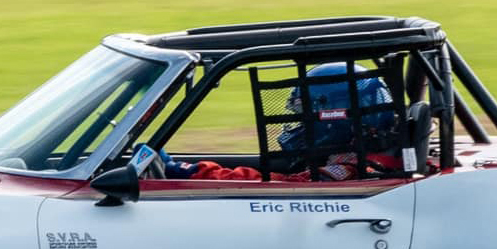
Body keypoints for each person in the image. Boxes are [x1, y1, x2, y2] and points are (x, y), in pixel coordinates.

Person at [164, 63, 402, 182]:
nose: (300, 125)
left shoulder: (349, 171)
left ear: (336, 118)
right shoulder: (350, 157)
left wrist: (196, 172)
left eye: (306, 116)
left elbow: (272, 186)